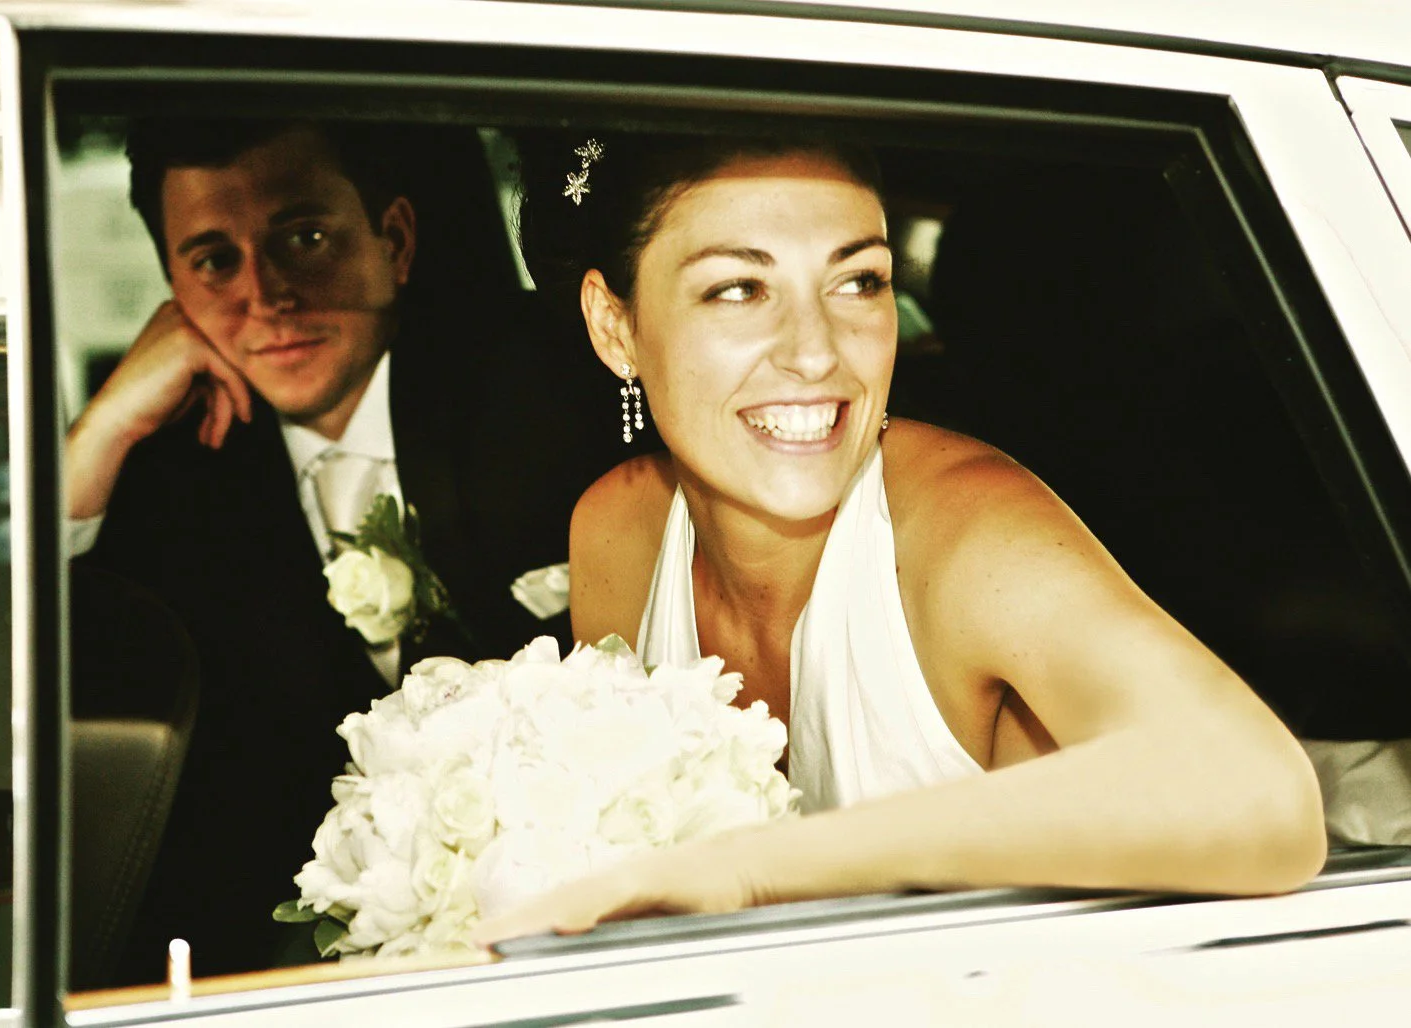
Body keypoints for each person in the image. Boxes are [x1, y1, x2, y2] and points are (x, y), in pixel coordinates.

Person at [473, 134, 1327, 944]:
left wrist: (752, 875)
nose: (816, 354)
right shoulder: (615, 531)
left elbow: (1262, 800)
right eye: (738, 289)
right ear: (614, 326)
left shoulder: (967, 533)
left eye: (859, 281)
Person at [66, 118, 617, 981]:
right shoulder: (165, 472)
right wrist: (99, 431)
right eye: (213, 259)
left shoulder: (540, 389)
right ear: (172, 285)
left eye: (305, 237)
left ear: (393, 241)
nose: (268, 294)